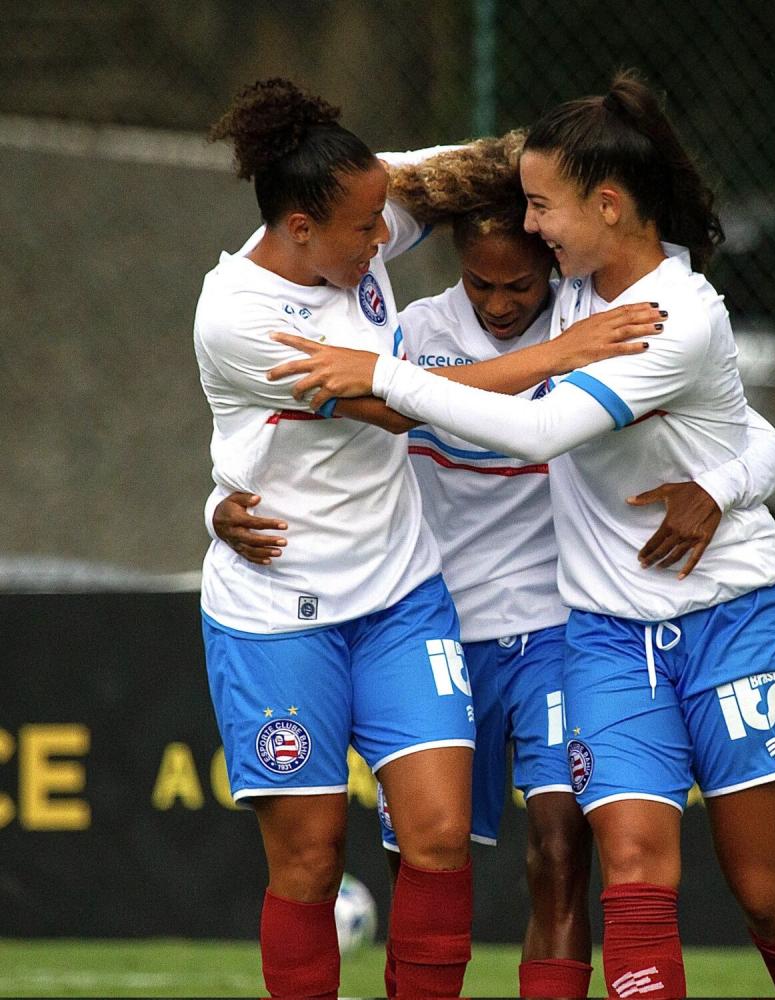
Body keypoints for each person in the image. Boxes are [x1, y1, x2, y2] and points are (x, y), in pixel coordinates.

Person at [263, 72, 775, 1000]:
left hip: (728, 613)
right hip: (604, 636)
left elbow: (542, 431)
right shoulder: (570, 291)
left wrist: (721, 489)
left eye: (542, 209)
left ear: (607, 206)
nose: (528, 229)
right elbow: (393, 185)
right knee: (631, 870)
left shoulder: (671, 316)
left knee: (768, 896)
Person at [194, 79, 665, 1000]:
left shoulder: (352, 202)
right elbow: (409, 407)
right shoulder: (240, 318)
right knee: (311, 859)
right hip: (279, 612)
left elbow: (476, 168)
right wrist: (562, 354)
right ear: (298, 228)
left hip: (403, 597)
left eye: (384, 220)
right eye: (365, 232)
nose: (384, 243)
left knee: (442, 835)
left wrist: (601, 144)